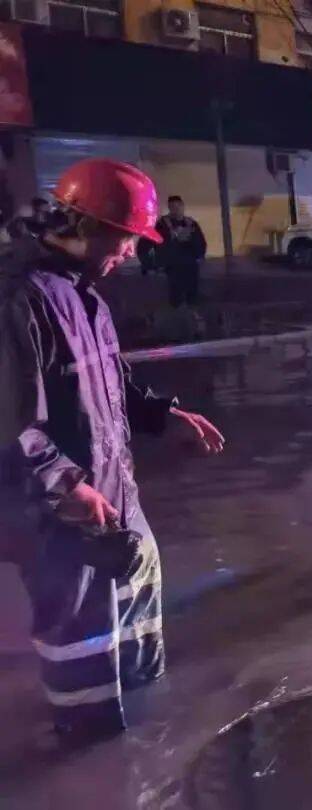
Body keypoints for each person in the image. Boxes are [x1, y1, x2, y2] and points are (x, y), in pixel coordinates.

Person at [0, 159, 225, 746]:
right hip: (59, 515)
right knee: (80, 640)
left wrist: (162, 413)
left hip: (114, 497)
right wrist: (63, 483)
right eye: (127, 239)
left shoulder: (86, 297)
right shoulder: (17, 300)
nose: (130, 253)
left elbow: (110, 380)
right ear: (89, 226)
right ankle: (90, 752)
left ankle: (149, 736)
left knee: (141, 589)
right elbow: (8, 418)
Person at [155, 195, 206, 308]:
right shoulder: (162, 224)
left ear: (183, 206)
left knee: (192, 293)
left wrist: (198, 253)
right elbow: (157, 243)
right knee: (175, 294)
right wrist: (173, 238)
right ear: (169, 208)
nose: (176, 209)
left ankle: (192, 312)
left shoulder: (191, 223)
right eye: (173, 207)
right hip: (173, 265)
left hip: (190, 264)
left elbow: (200, 242)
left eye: (178, 206)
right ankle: (177, 315)